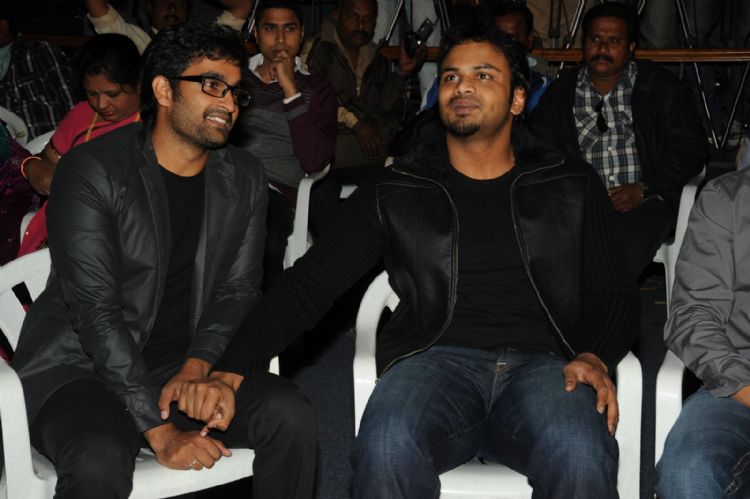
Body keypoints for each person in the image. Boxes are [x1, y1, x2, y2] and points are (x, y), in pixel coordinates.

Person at [179, 24, 640, 498]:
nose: (462, 87)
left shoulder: (569, 183)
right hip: (432, 361)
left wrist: (594, 355)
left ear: (518, 99)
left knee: (581, 452)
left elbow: (615, 290)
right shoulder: (399, 188)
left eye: (483, 76)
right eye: (451, 77)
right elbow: (309, 284)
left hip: (546, 365)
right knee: (385, 447)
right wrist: (232, 365)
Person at [11, 22, 315, 499]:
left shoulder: (244, 176)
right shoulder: (92, 170)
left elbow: (238, 290)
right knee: (97, 462)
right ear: (164, 90)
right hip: (80, 368)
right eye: (212, 85)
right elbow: (96, 313)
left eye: (236, 91)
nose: (229, 103)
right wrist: (159, 431)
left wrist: (198, 366)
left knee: (289, 415)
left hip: (177, 364)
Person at [531, 1, 707, 277]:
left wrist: (644, 188)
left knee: (623, 249)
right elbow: (539, 150)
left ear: (631, 47)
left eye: (613, 41)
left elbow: (691, 148)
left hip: (647, 201)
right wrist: (580, 193)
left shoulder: (660, 87)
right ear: (583, 44)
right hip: (581, 205)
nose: (602, 48)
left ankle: (606, 296)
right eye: (595, 39)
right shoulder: (561, 94)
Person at [656, 167, 750, 498]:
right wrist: (743, 385)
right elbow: (694, 314)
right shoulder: (728, 200)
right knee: (688, 472)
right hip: (740, 380)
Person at [231, 0, 338, 288]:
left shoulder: (317, 89)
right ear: (256, 33)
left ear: (301, 33)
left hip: (275, 191)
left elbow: (315, 161)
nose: (280, 39)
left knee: (266, 236)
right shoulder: (235, 78)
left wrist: (291, 91)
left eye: (289, 29)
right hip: (228, 179)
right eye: (270, 29)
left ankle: (266, 312)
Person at [18, 34, 142, 256]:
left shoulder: (157, 125)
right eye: (92, 93)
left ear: (139, 85)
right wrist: (32, 166)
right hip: (61, 227)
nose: (101, 104)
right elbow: (44, 160)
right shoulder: (83, 115)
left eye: (113, 94)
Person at [302, 0, 424, 180]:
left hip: (372, 154)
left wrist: (402, 73)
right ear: (337, 16)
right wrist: (357, 124)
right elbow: (310, 100)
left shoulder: (376, 56)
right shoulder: (319, 49)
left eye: (368, 19)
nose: (361, 25)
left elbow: (389, 109)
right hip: (332, 156)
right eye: (353, 17)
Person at [0, 16, 75, 139]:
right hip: (11, 147)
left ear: (3, 26)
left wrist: (74, 138)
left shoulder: (38, 50)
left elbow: (69, 97)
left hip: (51, 140)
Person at [84, 0, 253, 53]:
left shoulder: (201, 44)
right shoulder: (135, 39)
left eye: (180, 3)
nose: (172, 8)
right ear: (150, 7)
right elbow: (97, 8)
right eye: (164, 1)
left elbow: (243, 5)